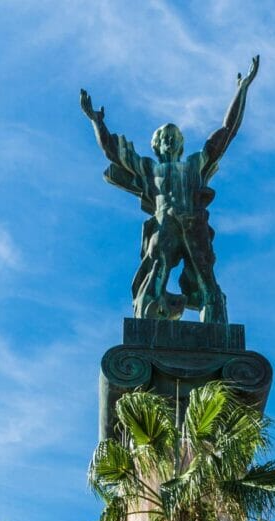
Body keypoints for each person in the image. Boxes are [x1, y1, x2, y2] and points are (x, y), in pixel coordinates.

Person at [81, 55, 259, 324]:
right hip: (166, 223)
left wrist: (242, 89)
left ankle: (213, 315)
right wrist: (96, 121)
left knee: (204, 273)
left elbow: (227, 132)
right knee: (158, 266)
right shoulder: (149, 169)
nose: (168, 141)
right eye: (164, 138)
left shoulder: (195, 164)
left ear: (180, 144)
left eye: (173, 137)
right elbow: (113, 153)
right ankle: (151, 311)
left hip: (193, 223)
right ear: (156, 145)